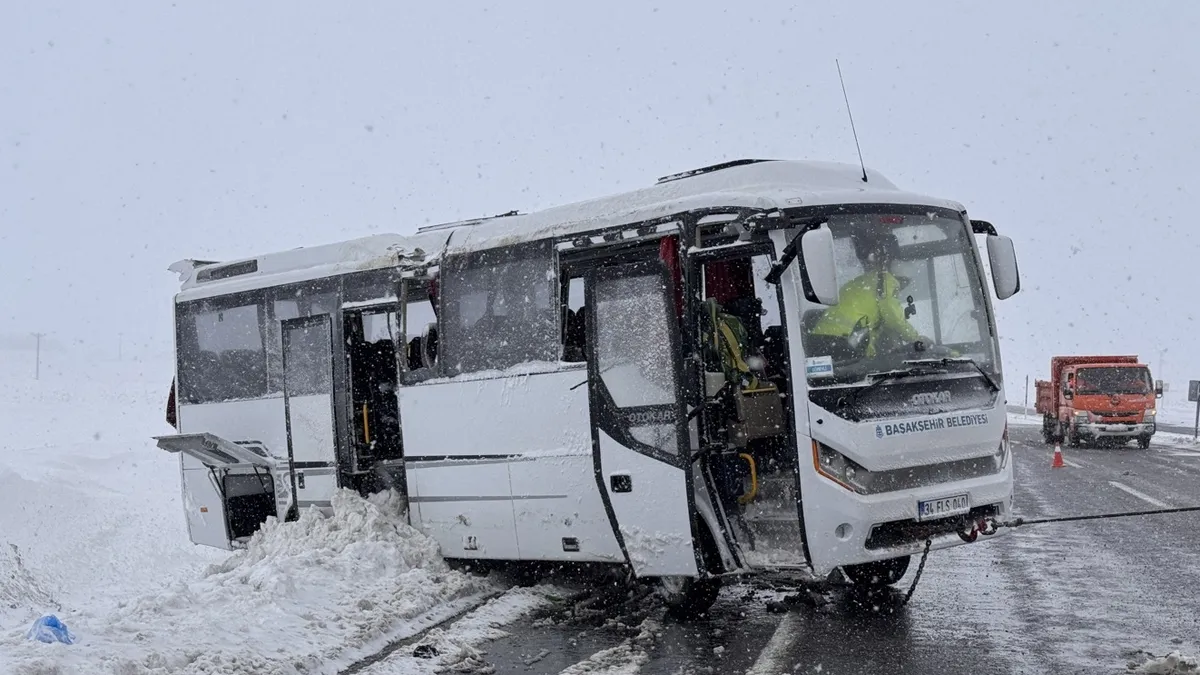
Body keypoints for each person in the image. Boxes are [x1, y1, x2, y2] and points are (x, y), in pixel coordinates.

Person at [808, 230, 926, 360]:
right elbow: (893, 318)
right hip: (841, 342)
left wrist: (874, 353)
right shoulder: (886, 281)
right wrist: (917, 339)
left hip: (819, 341)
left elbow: (872, 328)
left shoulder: (866, 281)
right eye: (904, 282)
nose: (902, 287)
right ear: (899, 275)